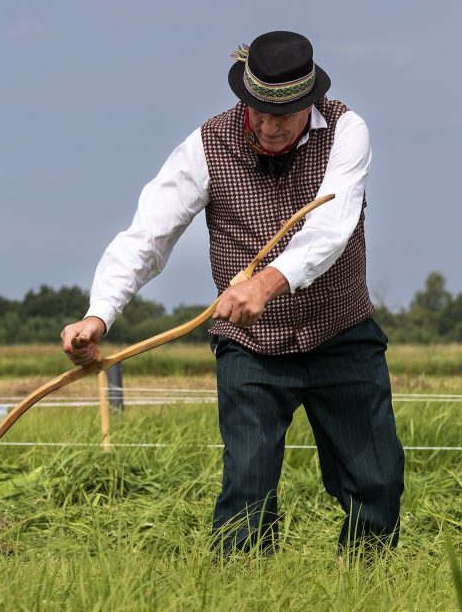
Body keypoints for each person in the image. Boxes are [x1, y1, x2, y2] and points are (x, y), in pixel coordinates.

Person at [60, 31, 404, 556]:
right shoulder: (207, 143)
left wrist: (267, 282)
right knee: (246, 491)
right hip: (251, 347)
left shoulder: (347, 130)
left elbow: (333, 225)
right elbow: (149, 235)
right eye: (256, 111)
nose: (266, 126)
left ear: (308, 104)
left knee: (375, 481)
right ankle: (240, 588)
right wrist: (99, 315)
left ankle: (370, 584)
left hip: (341, 333)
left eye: (281, 117)